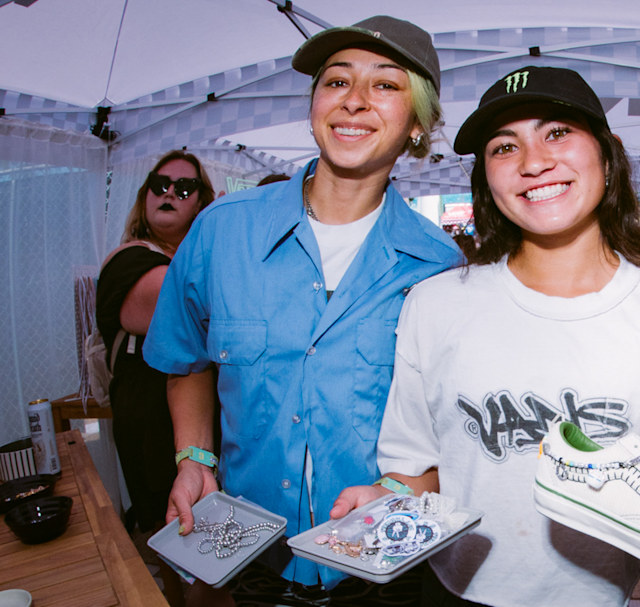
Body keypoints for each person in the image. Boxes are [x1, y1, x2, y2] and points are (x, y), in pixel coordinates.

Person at [331, 66, 640, 607]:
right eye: (504, 147)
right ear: (487, 181)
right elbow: (418, 469)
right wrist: (385, 498)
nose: (533, 161)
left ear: (607, 158)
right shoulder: (435, 305)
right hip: (451, 592)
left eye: (558, 133)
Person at [142, 15, 461, 604]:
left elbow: (452, 426)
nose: (354, 100)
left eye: (385, 85)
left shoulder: (438, 264)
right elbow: (187, 361)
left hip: (383, 562)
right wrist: (194, 457)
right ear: (315, 106)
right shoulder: (221, 232)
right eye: (336, 81)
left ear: (418, 123)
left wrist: (404, 489)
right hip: (251, 550)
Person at [95, 150, 216, 606]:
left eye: (184, 188)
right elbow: (184, 309)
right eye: (159, 184)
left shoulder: (192, 262)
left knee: (209, 548)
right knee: (176, 539)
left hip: (196, 427)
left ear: (201, 201)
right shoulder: (129, 260)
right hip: (154, 431)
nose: (169, 193)